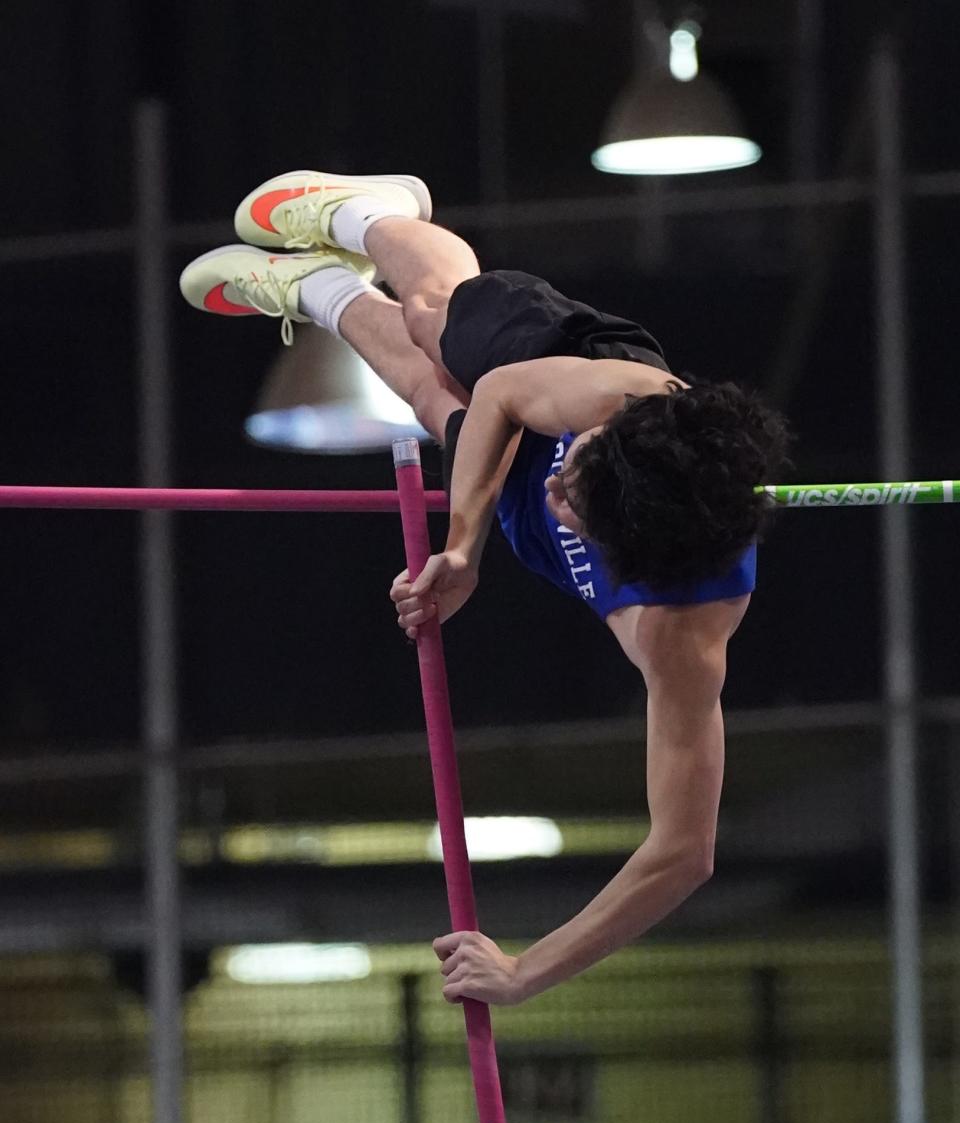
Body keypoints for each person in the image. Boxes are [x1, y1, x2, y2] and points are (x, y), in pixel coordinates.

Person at [180, 169, 790, 1009]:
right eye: (570, 474)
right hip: (547, 370)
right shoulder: (618, 396)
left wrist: (524, 971)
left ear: (633, 552)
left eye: (574, 503)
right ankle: (370, 213)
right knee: (439, 327)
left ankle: (315, 287)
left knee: (434, 403)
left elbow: (683, 851)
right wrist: (461, 549)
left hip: (594, 513)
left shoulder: (684, 641)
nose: (555, 489)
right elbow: (505, 395)